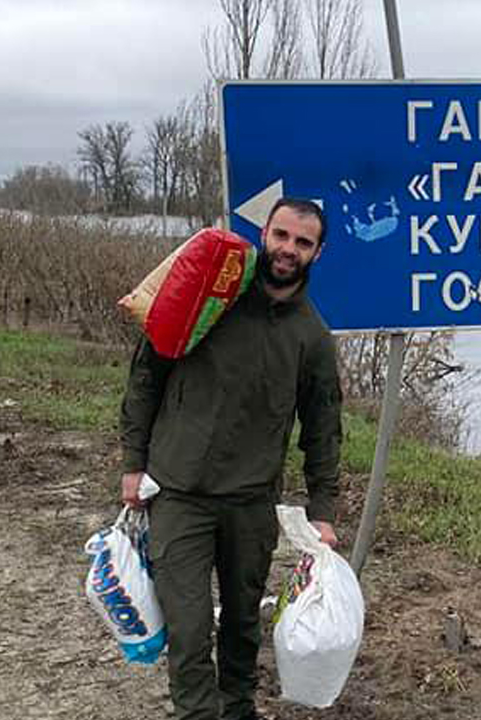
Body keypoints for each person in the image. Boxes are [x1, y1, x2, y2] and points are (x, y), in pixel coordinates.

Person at [119, 198, 342, 720]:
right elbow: (147, 374)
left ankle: (238, 711)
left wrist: (323, 510)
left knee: (242, 628)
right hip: (179, 492)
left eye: (302, 242)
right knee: (189, 628)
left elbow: (324, 429)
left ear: (317, 252)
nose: (288, 250)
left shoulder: (312, 336)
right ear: (264, 233)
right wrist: (134, 461)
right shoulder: (210, 299)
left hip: (251, 503)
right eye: (281, 235)